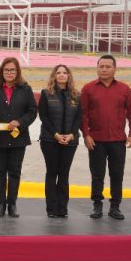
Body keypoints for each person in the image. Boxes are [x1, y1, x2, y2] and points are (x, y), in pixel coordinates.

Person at [80, 54, 131, 220]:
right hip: (96, 141)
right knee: (97, 174)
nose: (104, 69)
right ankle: (97, 205)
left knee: (117, 174)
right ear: (97, 68)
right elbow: (82, 114)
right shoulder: (88, 88)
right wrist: (86, 135)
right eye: (101, 66)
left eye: (108, 66)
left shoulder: (124, 89)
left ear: (115, 69)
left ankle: (115, 207)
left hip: (118, 141)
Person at [0, 57, 38, 218]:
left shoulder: (25, 89)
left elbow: (32, 111)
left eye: (12, 70)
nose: (9, 73)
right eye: (6, 70)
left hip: (18, 138)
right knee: (0, 171)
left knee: (15, 172)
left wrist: (20, 122)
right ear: (2, 71)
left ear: (17, 71)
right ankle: (0, 204)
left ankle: (12, 204)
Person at [37, 64, 81, 218]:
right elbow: (43, 117)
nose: (62, 75)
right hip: (50, 140)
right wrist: (55, 135)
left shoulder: (76, 95)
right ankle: (51, 209)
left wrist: (72, 134)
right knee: (52, 172)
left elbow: (79, 118)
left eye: (65, 72)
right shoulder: (46, 93)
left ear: (69, 76)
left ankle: (63, 209)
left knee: (64, 174)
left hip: (70, 141)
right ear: (54, 76)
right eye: (58, 73)